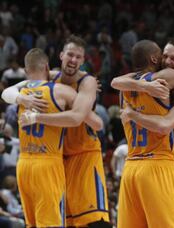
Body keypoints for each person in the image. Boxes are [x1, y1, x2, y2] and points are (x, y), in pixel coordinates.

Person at [2, 36, 109, 227]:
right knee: (61, 221)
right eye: (70, 54)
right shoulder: (51, 77)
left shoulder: (87, 82)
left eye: (78, 56)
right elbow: (8, 91)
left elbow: (83, 119)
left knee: (93, 221)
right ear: (61, 55)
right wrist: (21, 99)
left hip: (83, 154)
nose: (73, 60)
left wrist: (36, 117)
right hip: (57, 158)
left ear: (83, 61)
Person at [111, 39, 174, 228]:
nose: (167, 61)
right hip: (163, 167)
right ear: (155, 58)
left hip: (158, 167)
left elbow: (116, 81)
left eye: (173, 58)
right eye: (165, 56)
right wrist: (145, 89)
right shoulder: (160, 79)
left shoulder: (132, 84)